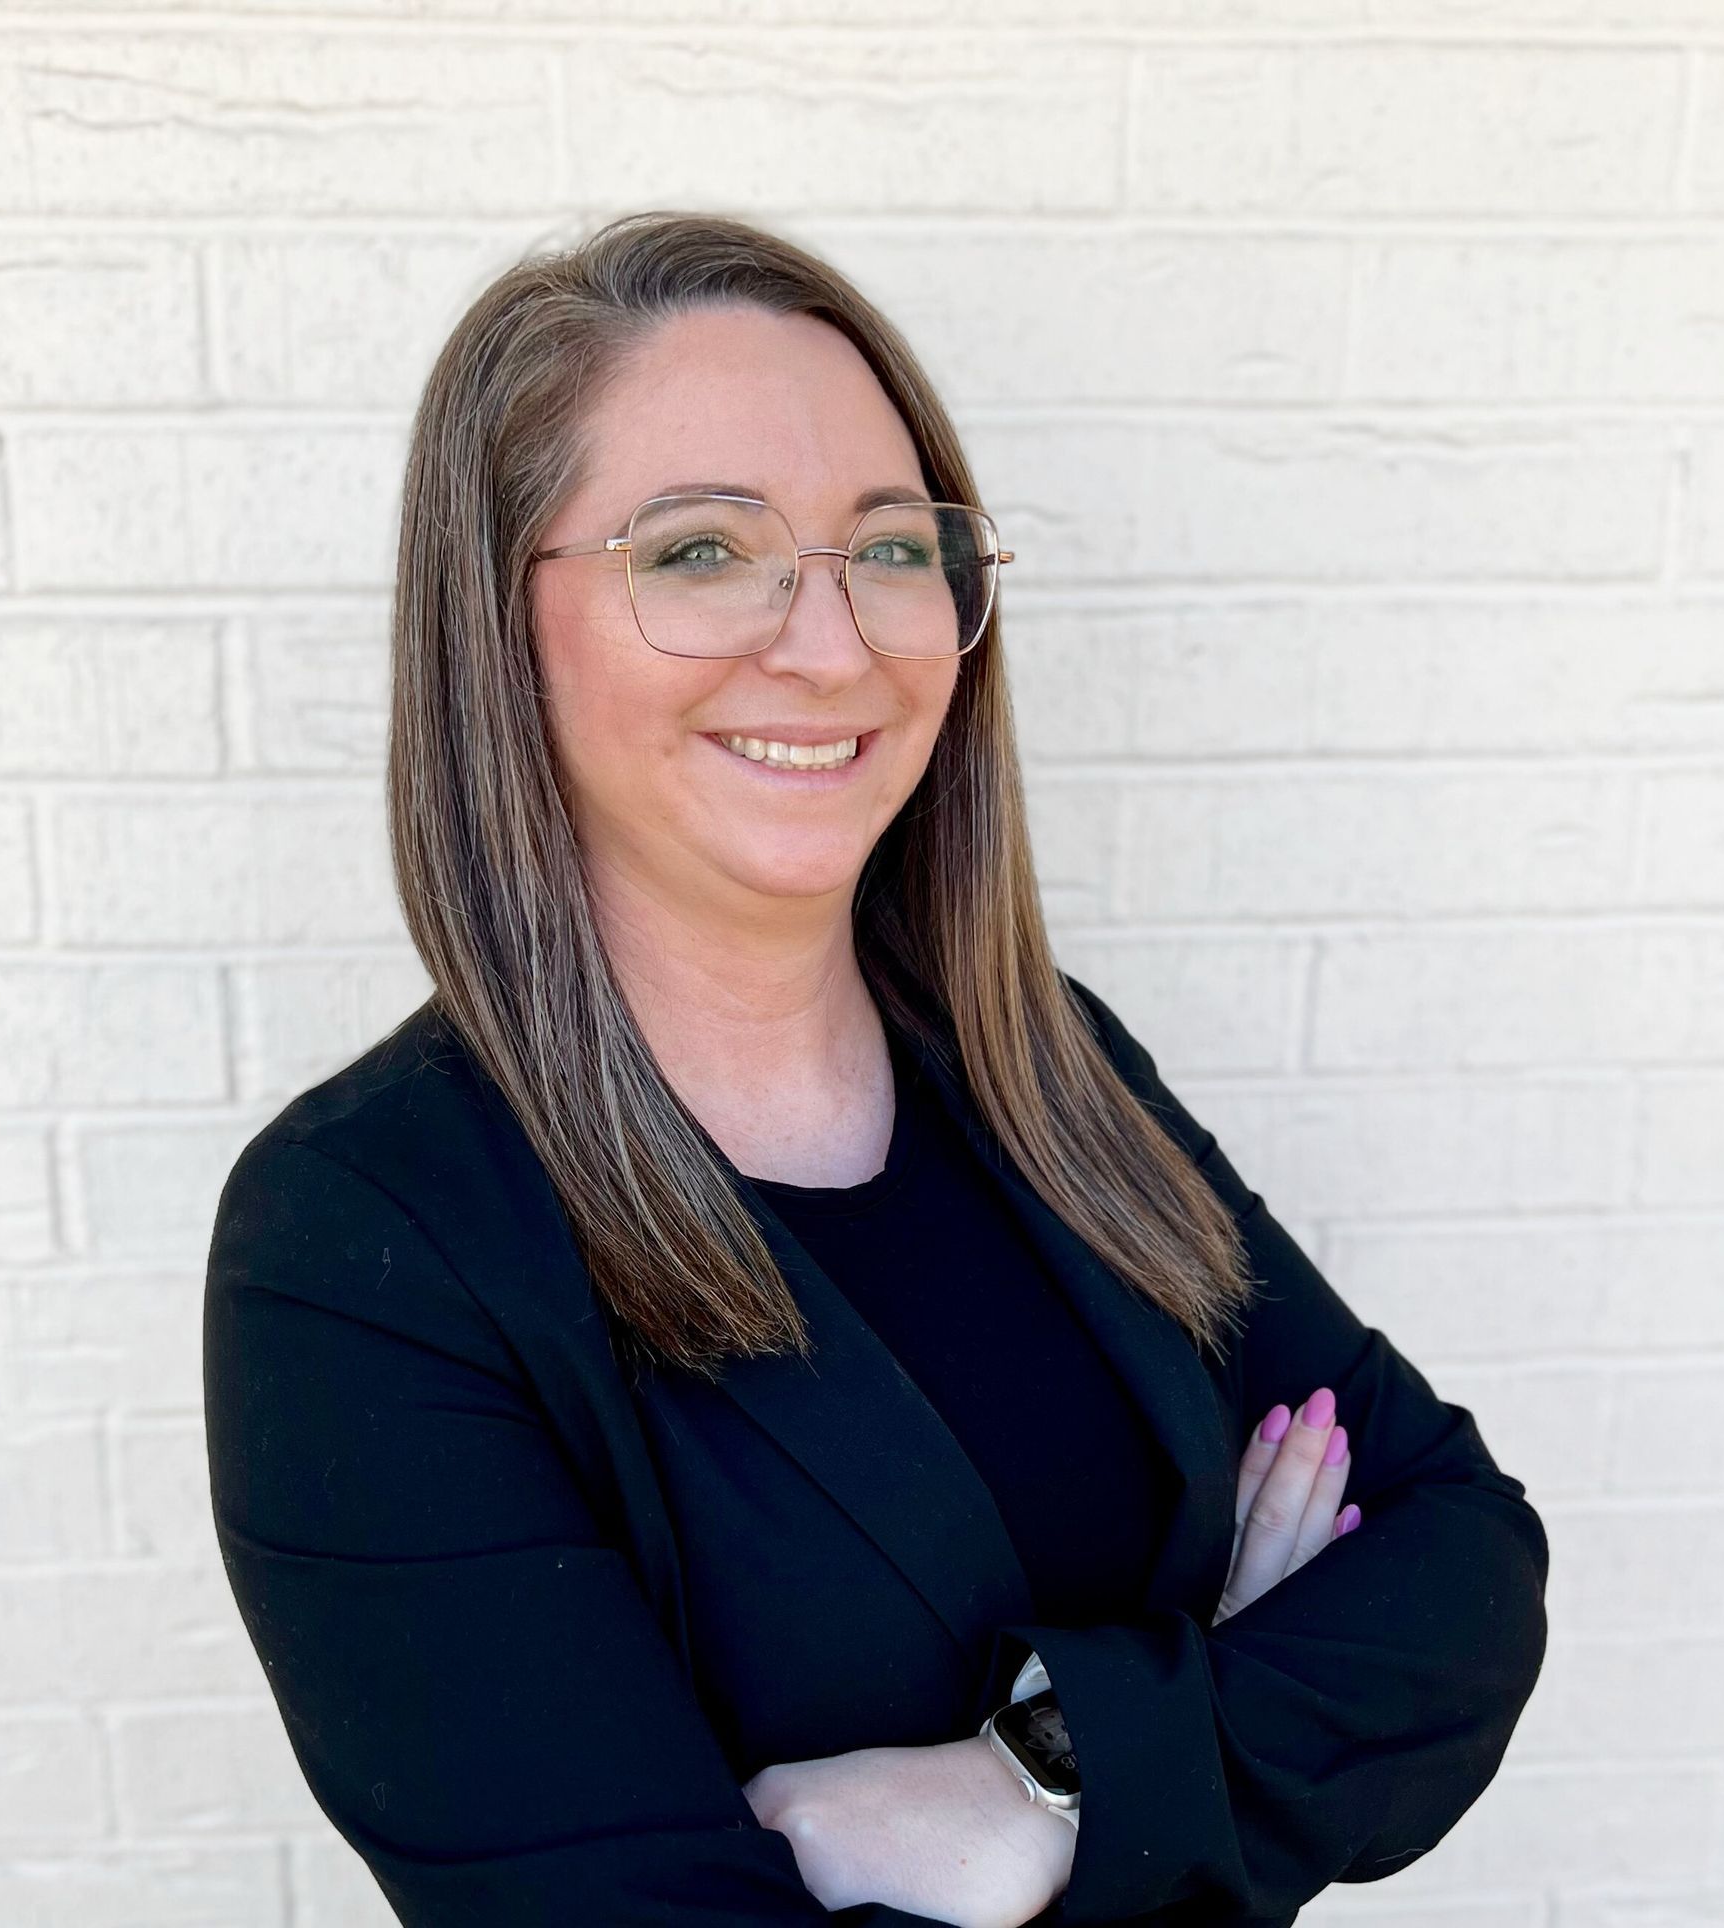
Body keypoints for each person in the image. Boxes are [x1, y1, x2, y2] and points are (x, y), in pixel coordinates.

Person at [202, 209, 1549, 1928]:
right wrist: (1213, 1699)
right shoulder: (368, 1248)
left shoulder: (1040, 1068)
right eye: (699, 552)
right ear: (498, 624)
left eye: (894, 549)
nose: (834, 648)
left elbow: (1460, 1566)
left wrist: (1036, 1778)